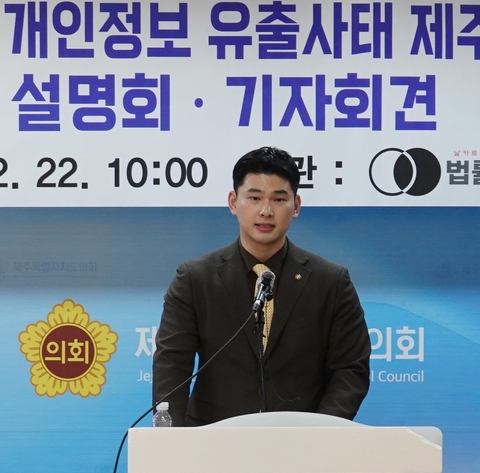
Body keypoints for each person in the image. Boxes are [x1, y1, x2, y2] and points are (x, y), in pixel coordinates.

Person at [152, 146, 371, 426]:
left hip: (301, 440)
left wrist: (319, 433)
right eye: (254, 198)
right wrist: (172, 436)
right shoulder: (195, 279)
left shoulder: (330, 282)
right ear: (233, 202)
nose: (266, 211)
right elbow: (172, 365)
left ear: (296, 206)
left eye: (278, 199)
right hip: (213, 439)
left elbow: (350, 370)